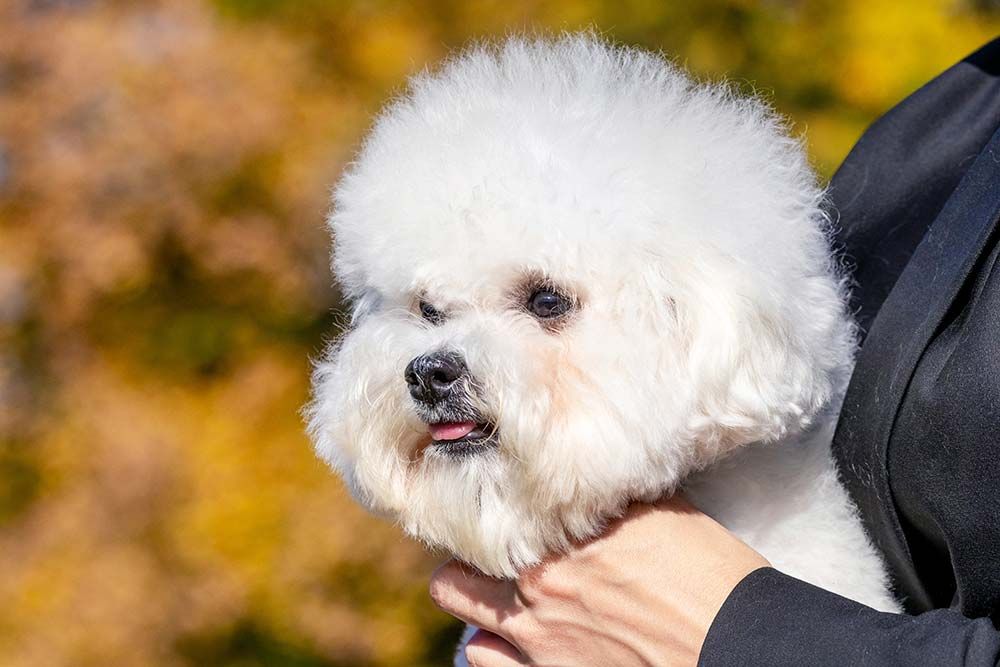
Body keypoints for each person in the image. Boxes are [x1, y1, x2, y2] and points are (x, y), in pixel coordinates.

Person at [429, 36, 1000, 666]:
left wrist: (730, 636)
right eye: (430, 313)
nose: (433, 365)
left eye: (546, 303)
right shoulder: (936, 131)